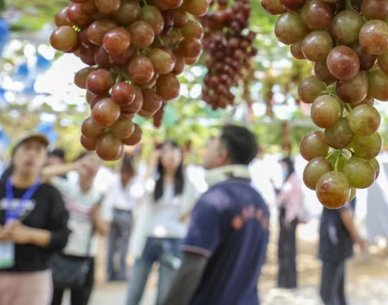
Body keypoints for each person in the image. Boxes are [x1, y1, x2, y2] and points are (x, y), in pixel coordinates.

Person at [162, 125, 269, 305]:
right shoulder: (259, 202)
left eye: (210, 144)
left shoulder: (212, 200)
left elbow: (191, 268)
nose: (205, 150)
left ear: (222, 155)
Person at [0, 133, 69, 305]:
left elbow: (61, 238)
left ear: (44, 159)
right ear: (14, 155)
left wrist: (30, 235)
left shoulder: (50, 195)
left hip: (32, 280)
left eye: (38, 150)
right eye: (26, 148)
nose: (32, 154)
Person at [126, 140, 198, 305]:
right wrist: (150, 165)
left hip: (174, 239)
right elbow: (137, 193)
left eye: (174, 151)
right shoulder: (152, 180)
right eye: (165, 152)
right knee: (134, 291)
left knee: (165, 294)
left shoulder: (187, 183)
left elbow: (194, 200)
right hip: (148, 237)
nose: (169, 156)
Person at [43, 152, 107, 305]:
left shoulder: (98, 196)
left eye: (97, 163)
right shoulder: (65, 188)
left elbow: (103, 231)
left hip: (85, 258)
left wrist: (96, 216)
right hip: (60, 255)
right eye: (89, 161)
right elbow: (42, 174)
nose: (92, 166)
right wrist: (73, 166)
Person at [318, 198, 366, 305]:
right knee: (338, 293)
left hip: (334, 246)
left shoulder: (340, 188)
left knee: (327, 294)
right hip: (337, 246)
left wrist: (357, 238)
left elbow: (346, 214)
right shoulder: (346, 188)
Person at [103, 155, 137, 282]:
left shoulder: (117, 179)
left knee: (112, 245)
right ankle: (121, 273)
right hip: (125, 213)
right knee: (123, 245)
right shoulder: (131, 180)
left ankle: (110, 273)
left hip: (116, 212)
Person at [275, 156, 303, 289]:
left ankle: (288, 282)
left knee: (287, 250)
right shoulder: (290, 180)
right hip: (286, 218)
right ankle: (284, 281)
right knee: (284, 250)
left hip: (289, 219)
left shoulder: (293, 181)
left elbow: (284, 198)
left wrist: (277, 193)